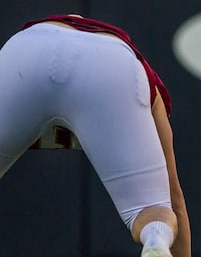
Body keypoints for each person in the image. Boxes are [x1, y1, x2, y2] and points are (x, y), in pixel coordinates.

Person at [0, 14, 191, 257]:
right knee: (153, 210)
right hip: (110, 65)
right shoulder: (142, 79)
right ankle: (155, 236)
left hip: (26, 53)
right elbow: (176, 202)